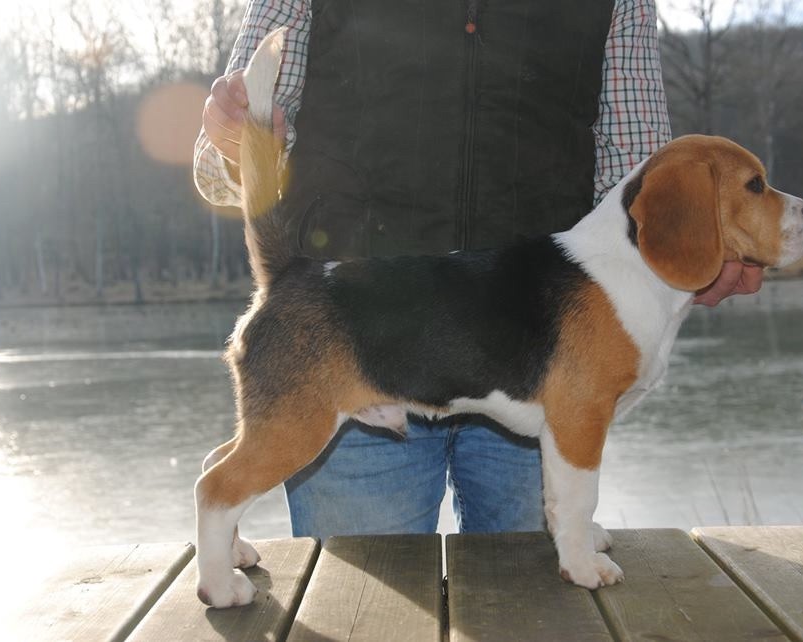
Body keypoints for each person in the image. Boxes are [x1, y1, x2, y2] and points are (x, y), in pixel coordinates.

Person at [193, 0, 763, 541]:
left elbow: (636, 170)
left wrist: (693, 247)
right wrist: (231, 141)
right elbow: (220, 163)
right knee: (361, 600)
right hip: (351, 330)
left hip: (541, 341)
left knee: (529, 597)